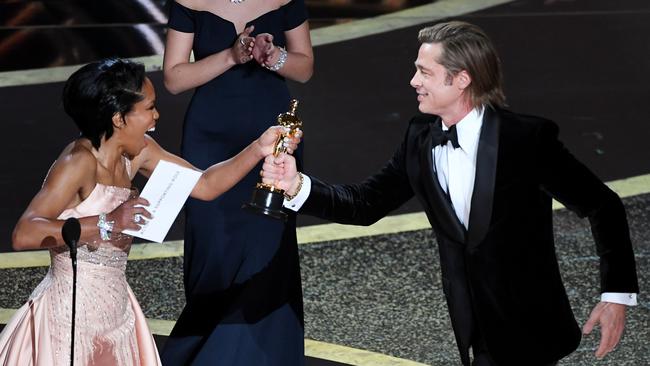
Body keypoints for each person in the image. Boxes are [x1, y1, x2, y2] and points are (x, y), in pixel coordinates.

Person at [261, 21, 639, 366]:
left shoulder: (526, 139)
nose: (413, 81)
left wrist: (616, 296)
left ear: (461, 80)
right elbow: (366, 204)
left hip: (531, 329)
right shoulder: (420, 136)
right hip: (474, 330)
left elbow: (602, 205)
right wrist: (297, 186)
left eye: (425, 72)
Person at [0, 58, 298, 366]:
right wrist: (108, 222)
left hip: (116, 311)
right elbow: (25, 232)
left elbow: (205, 184)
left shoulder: (139, 151)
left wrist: (259, 147)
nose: (156, 116)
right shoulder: (77, 163)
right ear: (119, 118)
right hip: (68, 319)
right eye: (149, 108)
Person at [160, 0, 313, 364]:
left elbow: (305, 68)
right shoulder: (187, 3)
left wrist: (273, 56)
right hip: (209, 138)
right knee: (213, 244)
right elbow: (174, 79)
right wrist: (230, 56)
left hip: (271, 130)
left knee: (266, 247)